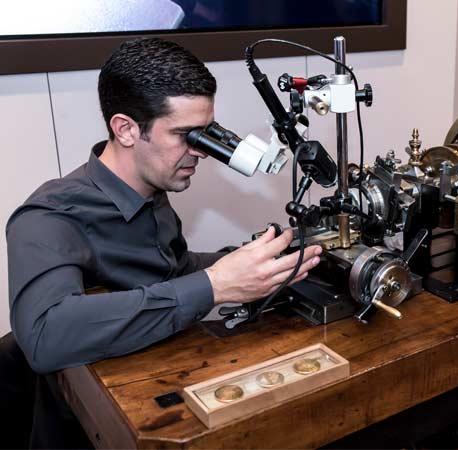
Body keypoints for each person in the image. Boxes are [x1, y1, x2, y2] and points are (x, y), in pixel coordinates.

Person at [5, 37, 322, 447]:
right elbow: (45, 335)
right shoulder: (50, 217)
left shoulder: (152, 190)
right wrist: (215, 285)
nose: (202, 152)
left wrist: (252, 264)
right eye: (186, 135)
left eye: (207, 133)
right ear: (126, 129)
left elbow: (170, 271)